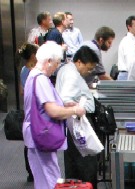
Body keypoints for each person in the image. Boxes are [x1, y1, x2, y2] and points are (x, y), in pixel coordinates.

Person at [22, 41, 85, 189]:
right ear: (49, 61)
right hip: (42, 135)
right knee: (51, 180)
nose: (56, 68)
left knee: (42, 178)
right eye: (56, 63)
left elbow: (42, 106)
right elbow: (52, 111)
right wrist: (75, 110)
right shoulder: (42, 79)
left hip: (33, 133)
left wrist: (64, 105)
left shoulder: (32, 75)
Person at [56, 46, 99, 189]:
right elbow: (66, 99)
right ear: (79, 62)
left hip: (72, 124)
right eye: (89, 68)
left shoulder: (66, 69)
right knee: (86, 164)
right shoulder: (72, 76)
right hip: (78, 123)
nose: (90, 71)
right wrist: (78, 107)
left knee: (73, 163)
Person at [17, 43, 38, 182]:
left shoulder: (24, 70)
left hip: (29, 109)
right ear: (32, 56)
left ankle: (31, 171)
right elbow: (24, 91)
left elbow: (21, 91)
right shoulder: (31, 71)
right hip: (33, 110)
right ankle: (32, 171)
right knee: (32, 141)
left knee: (29, 141)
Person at [117, 15, 135, 80]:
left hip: (129, 74)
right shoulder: (128, 41)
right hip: (128, 75)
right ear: (129, 27)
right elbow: (130, 63)